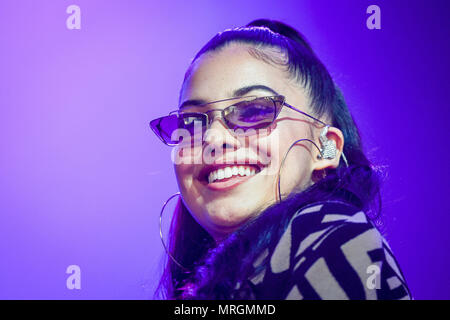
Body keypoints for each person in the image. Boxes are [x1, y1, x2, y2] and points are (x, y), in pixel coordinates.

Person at [149, 19, 411, 300]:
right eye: (192, 123)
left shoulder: (332, 235)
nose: (212, 138)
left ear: (325, 148)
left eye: (253, 111)